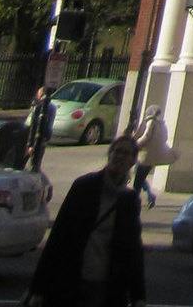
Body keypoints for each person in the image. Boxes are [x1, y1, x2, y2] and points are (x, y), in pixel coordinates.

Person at [23, 130, 146, 307]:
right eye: (116, 151)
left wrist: (138, 296)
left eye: (126, 153)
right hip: (73, 279)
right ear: (109, 154)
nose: (119, 156)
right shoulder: (84, 186)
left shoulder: (129, 200)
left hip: (107, 286)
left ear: (133, 161)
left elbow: (133, 250)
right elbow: (59, 236)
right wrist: (38, 289)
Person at [128, 105, 175, 209]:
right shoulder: (162, 125)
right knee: (141, 177)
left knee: (138, 180)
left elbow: (146, 136)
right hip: (154, 156)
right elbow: (164, 138)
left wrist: (135, 144)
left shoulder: (151, 122)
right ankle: (150, 196)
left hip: (145, 155)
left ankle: (134, 201)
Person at [24, 87, 54, 176]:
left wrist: (30, 144)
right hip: (44, 138)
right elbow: (49, 125)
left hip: (36, 139)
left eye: (38, 94)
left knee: (29, 163)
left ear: (40, 95)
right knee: (37, 162)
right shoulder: (52, 107)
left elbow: (34, 126)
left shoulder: (38, 107)